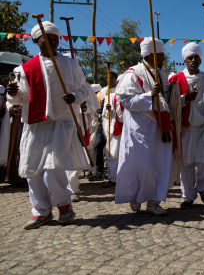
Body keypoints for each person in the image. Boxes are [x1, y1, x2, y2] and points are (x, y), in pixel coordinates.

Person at [7, 21, 90, 229]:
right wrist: (13, 94)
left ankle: (64, 206)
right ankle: (41, 212)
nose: (54, 42)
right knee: (32, 169)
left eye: (56, 39)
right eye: (49, 39)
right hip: (35, 125)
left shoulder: (71, 65)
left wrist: (75, 97)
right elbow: (19, 99)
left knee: (52, 168)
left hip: (61, 122)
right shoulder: (24, 69)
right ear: (37, 41)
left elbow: (84, 90)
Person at [114, 37, 175, 215]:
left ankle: (153, 202)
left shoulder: (162, 74)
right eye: (160, 55)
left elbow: (166, 100)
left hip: (160, 127)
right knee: (142, 165)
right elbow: (126, 101)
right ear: (149, 55)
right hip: (139, 129)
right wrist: (149, 96)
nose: (164, 58)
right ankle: (135, 196)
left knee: (159, 164)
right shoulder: (133, 74)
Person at [170, 42, 204, 209]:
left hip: (203, 126)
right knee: (186, 163)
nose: (193, 60)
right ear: (185, 60)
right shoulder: (175, 79)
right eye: (190, 58)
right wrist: (184, 99)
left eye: (196, 57)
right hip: (185, 128)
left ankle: (203, 189)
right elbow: (170, 103)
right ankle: (188, 196)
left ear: (200, 60)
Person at [89, 73, 118, 182]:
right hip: (103, 121)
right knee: (98, 145)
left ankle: (115, 174)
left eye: (112, 78)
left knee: (113, 148)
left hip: (115, 122)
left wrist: (113, 106)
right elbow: (97, 106)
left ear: (115, 79)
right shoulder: (102, 92)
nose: (110, 80)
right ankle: (99, 171)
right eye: (108, 78)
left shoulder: (119, 89)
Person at [101, 73, 124, 187]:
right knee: (112, 154)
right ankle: (112, 179)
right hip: (113, 129)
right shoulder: (109, 97)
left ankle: (125, 178)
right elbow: (104, 114)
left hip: (127, 130)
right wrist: (108, 110)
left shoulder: (129, 95)